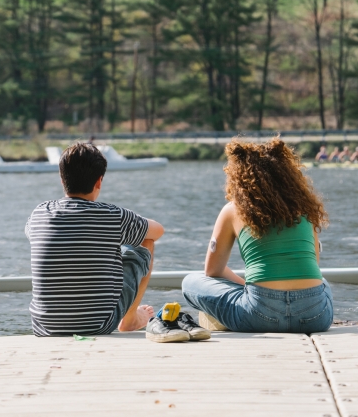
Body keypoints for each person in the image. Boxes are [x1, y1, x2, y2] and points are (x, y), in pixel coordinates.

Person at [182, 138, 333, 334]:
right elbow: (314, 264)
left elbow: (212, 270)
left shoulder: (232, 210)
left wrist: (247, 286)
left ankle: (229, 313)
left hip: (259, 316)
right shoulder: (305, 209)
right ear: (287, 175)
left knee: (189, 282)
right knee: (322, 282)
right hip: (316, 317)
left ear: (239, 177)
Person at [25, 142, 166, 338]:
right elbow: (158, 231)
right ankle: (130, 318)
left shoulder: (40, 213)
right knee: (145, 241)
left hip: (45, 327)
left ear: (61, 179)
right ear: (99, 181)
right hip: (98, 325)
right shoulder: (113, 215)